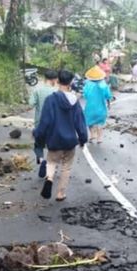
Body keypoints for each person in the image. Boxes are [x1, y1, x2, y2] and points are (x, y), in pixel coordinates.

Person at [34, 70, 88, 201]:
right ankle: (60, 193)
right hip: (70, 141)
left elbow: (45, 121)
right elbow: (80, 123)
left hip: (54, 139)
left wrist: (38, 134)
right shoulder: (75, 101)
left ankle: (50, 178)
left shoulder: (50, 100)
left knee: (51, 162)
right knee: (66, 167)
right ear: (71, 83)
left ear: (57, 81)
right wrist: (83, 139)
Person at [29, 69, 58, 178]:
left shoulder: (37, 89)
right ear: (54, 80)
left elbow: (31, 104)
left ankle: (41, 161)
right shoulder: (56, 91)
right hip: (53, 124)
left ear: (45, 78)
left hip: (39, 123)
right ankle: (50, 170)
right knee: (52, 147)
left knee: (38, 145)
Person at [83, 66, 112, 144]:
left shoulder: (87, 84)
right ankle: (99, 138)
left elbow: (85, 95)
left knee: (89, 121)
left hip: (90, 107)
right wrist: (109, 104)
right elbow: (108, 96)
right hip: (101, 107)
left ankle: (92, 135)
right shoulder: (103, 84)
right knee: (100, 122)